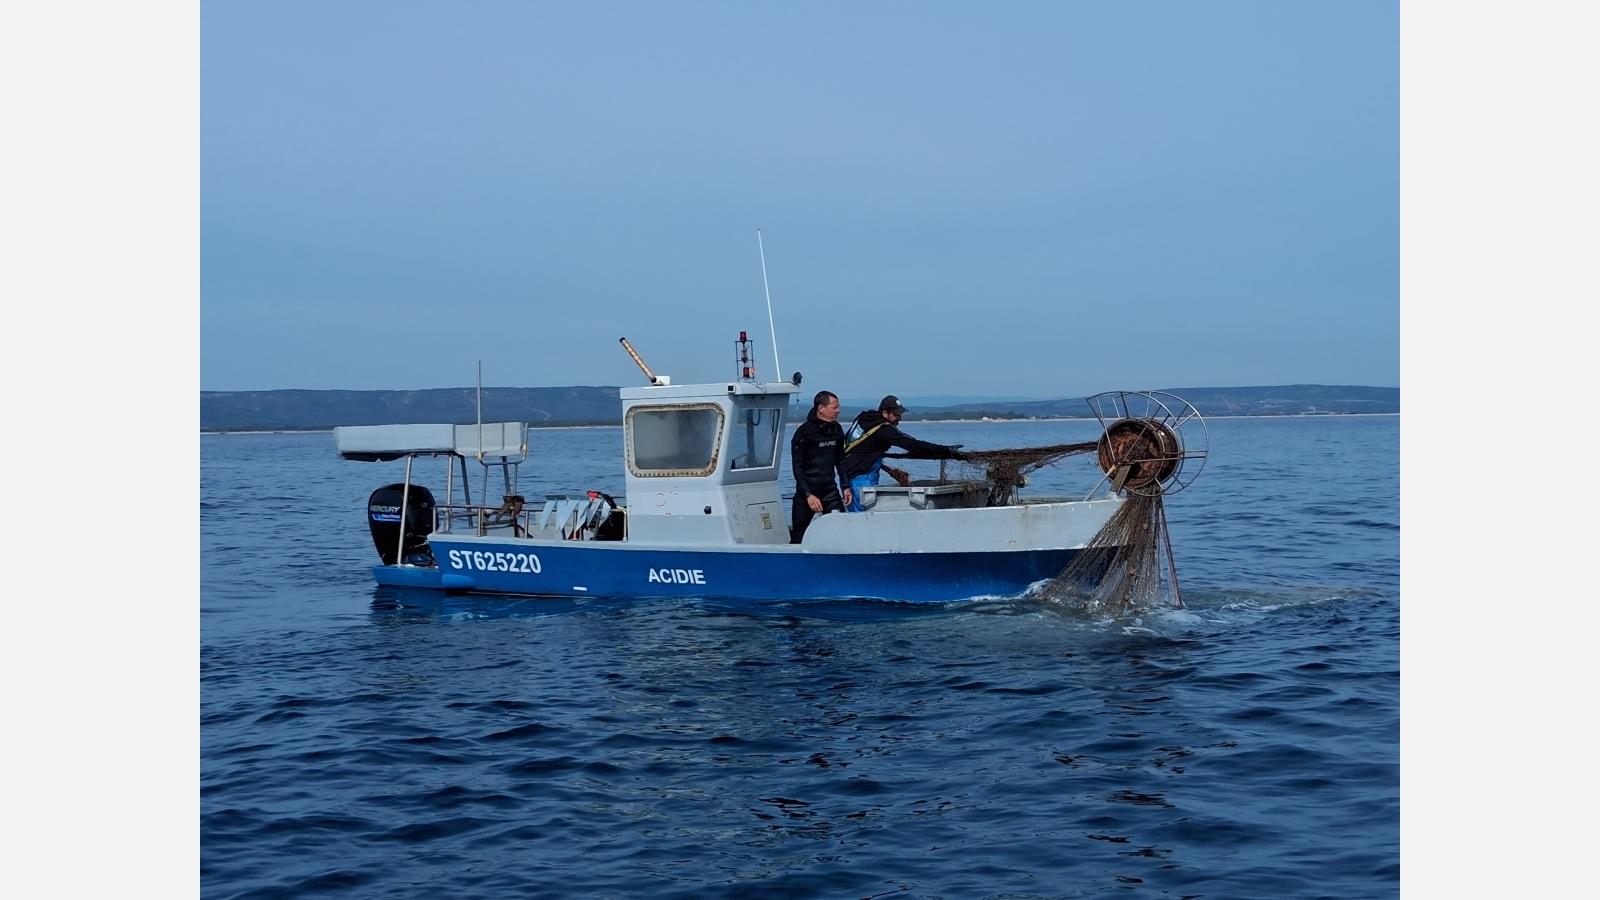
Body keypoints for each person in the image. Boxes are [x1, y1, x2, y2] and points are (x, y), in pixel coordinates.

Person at [840, 395, 967, 511]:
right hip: (860, 478)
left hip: (848, 473)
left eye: (900, 414)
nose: (899, 418)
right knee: (862, 516)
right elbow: (913, 445)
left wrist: (886, 468)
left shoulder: (864, 418)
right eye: (896, 415)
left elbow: (864, 449)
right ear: (885, 412)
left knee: (858, 514)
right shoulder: (884, 430)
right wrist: (946, 450)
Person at [789, 390, 853, 543]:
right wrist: (808, 495)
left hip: (829, 491)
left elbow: (841, 460)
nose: (838, 410)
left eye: (838, 407)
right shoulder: (804, 432)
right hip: (807, 494)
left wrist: (845, 486)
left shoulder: (836, 429)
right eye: (834, 407)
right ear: (821, 408)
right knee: (799, 535)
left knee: (842, 530)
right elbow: (797, 467)